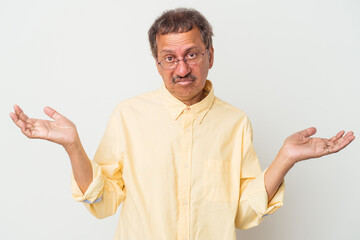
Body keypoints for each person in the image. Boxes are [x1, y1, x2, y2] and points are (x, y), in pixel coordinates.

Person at [9, 8, 355, 240]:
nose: (182, 69)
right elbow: (104, 203)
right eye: (169, 58)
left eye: (191, 54)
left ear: (210, 55)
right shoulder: (128, 115)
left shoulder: (235, 122)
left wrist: (285, 159)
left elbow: (243, 214)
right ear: (157, 64)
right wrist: (73, 147)